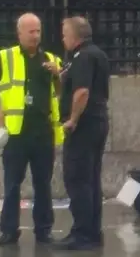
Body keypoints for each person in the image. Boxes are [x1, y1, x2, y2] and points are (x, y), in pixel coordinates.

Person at [0, 13, 64, 246]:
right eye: (30, 31)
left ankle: (44, 230)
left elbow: (60, 92)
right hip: (17, 133)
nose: (35, 35)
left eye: (38, 31)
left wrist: (58, 74)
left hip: (42, 131)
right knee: (12, 184)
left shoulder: (51, 59)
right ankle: (9, 231)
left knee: (43, 183)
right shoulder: (6, 57)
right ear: (19, 33)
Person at [54, 16, 110, 250]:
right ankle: (92, 231)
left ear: (76, 36)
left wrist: (72, 120)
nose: (63, 38)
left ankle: (82, 233)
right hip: (98, 122)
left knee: (77, 178)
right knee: (91, 179)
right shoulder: (95, 53)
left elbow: (82, 92)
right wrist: (59, 73)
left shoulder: (83, 57)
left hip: (84, 126)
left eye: (65, 33)